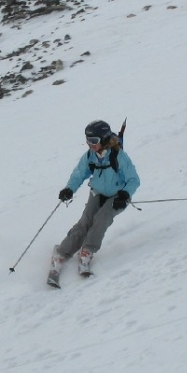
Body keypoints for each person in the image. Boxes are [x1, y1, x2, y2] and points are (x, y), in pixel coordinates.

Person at [52, 119, 140, 277]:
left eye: (94, 140)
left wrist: (125, 194)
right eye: (88, 140)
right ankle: (62, 253)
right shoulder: (89, 156)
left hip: (117, 195)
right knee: (85, 221)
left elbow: (134, 179)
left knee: (102, 218)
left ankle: (87, 251)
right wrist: (69, 189)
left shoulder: (118, 156)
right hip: (97, 192)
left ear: (104, 139)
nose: (90, 144)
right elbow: (79, 173)